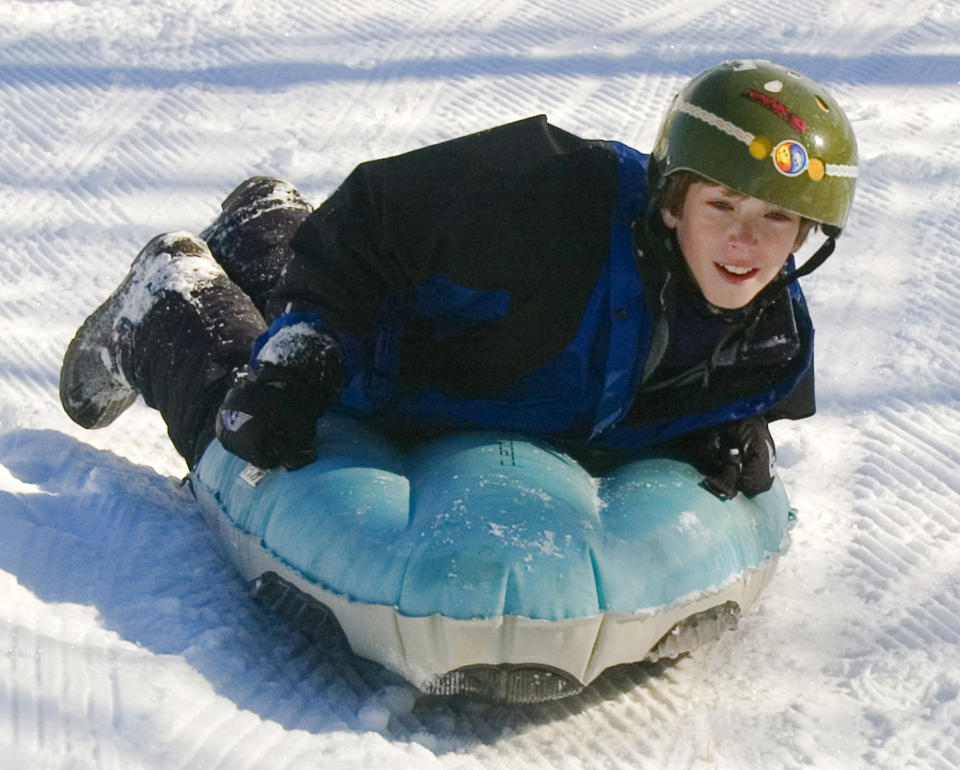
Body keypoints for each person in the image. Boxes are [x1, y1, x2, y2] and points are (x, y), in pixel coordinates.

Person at [59, 60, 858, 499]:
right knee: (240, 416)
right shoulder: (552, 200)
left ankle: (265, 220)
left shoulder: (768, 340)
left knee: (306, 280)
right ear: (673, 199)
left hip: (500, 398)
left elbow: (696, 391)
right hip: (395, 368)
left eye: (779, 220)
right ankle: (165, 297)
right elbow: (372, 222)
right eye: (724, 204)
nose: (749, 242)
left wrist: (724, 430)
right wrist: (297, 359)